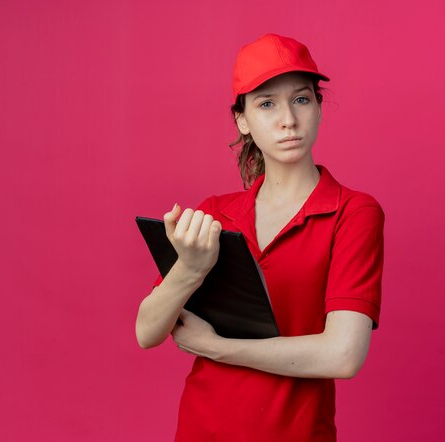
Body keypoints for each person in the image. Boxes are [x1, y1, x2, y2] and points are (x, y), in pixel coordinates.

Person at [135, 33, 385, 441]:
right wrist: (190, 269)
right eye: (267, 103)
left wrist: (218, 348)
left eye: (301, 99)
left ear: (319, 107)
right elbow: (147, 331)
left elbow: (343, 354)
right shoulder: (215, 213)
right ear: (243, 120)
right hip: (202, 428)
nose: (288, 118)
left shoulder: (353, 213)